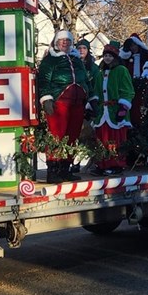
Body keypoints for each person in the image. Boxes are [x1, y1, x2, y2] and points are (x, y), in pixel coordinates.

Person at [37, 30, 94, 183]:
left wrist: (91, 97)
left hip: (77, 103)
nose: (65, 43)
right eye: (62, 40)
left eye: (68, 41)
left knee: (72, 136)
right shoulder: (50, 60)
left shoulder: (76, 60)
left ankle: (65, 168)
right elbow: (43, 80)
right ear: (56, 42)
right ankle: (53, 170)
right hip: (59, 102)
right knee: (57, 136)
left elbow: (85, 80)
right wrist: (46, 99)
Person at [92, 42, 135, 175]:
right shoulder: (100, 73)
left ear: (115, 57)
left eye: (110, 56)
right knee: (102, 139)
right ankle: (102, 164)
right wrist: (92, 105)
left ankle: (116, 164)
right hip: (103, 113)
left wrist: (123, 107)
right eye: (105, 56)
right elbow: (96, 91)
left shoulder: (121, 70)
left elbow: (128, 90)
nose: (107, 58)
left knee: (115, 140)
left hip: (115, 111)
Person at [74, 38, 103, 173]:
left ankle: (92, 160)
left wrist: (93, 104)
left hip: (90, 104)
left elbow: (97, 86)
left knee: (89, 134)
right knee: (75, 134)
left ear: (88, 50)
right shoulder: (72, 64)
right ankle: (74, 161)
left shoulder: (94, 68)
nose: (81, 50)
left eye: (84, 48)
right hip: (76, 102)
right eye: (79, 48)